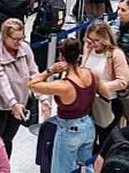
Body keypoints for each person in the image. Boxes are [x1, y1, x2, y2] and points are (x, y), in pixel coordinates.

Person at [28, 38, 112, 173]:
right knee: (87, 167)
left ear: (61, 57)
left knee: (62, 170)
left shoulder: (64, 86)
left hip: (69, 130)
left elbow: (32, 84)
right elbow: (106, 93)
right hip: (88, 126)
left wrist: (50, 70)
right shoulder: (92, 74)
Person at [0, 18, 44, 158]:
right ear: (4, 36)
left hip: (19, 106)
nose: (18, 42)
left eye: (21, 38)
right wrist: (13, 103)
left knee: (7, 140)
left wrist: (43, 96)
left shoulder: (25, 48)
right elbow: (0, 81)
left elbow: (34, 72)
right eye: (15, 39)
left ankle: (4, 166)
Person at [83, 22, 129, 149]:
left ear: (105, 39)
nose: (93, 43)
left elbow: (123, 82)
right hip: (88, 102)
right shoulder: (88, 48)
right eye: (90, 39)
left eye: (97, 40)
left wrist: (101, 86)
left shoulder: (116, 54)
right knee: (88, 141)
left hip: (108, 103)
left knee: (106, 142)